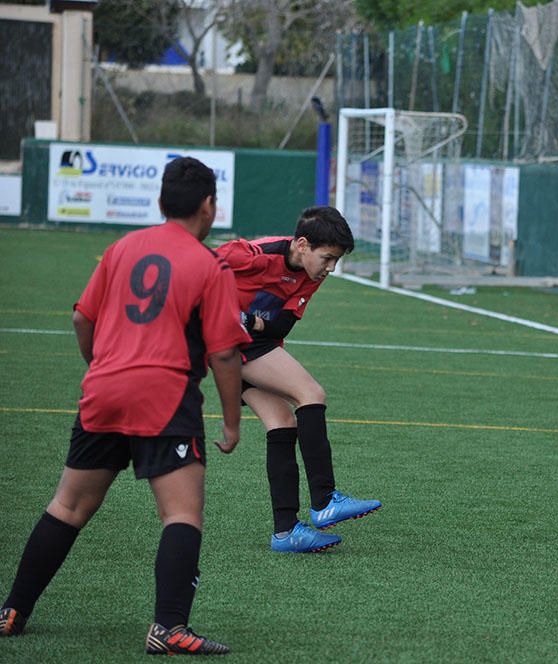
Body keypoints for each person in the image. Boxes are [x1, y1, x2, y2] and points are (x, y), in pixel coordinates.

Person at [1, 157, 250, 654]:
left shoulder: (120, 249)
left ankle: (11, 611)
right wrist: (232, 422)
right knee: (182, 513)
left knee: (68, 505)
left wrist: (102, 367)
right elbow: (224, 352)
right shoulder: (209, 264)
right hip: (164, 396)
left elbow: (80, 320)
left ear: (160, 202)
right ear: (209, 205)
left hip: (104, 390)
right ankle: (169, 628)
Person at [216, 206, 381, 554]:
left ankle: (286, 531)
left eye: (336, 261)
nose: (331, 268)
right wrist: (226, 314)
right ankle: (324, 500)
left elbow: (280, 327)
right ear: (302, 244)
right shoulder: (254, 254)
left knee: (282, 423)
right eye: (328, 258)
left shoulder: (310, 276)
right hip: (227, 343)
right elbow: (201, 270)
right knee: (310, 393)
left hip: (253, 341)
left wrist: (251, 321)